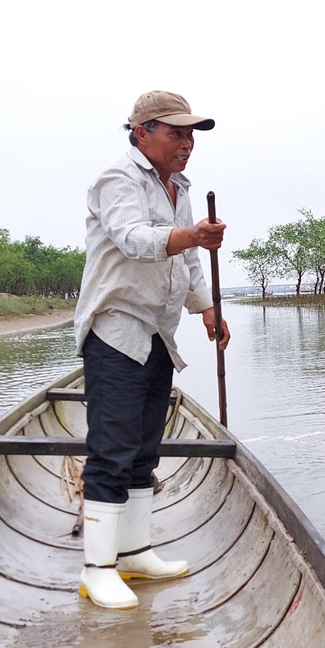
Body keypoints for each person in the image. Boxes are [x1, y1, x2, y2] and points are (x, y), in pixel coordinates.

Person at [73, 89, 231, 609]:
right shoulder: (117, 179)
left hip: (159, 333)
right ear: (142, 133)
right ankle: (97, 570)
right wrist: (191, 235)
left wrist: (206, 308)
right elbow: (135, 240)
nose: (187, 144)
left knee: (145, 450)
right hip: (117, 332)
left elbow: (186, 262)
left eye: (191, 135)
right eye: (176, 133)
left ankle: (135, 554)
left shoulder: (178, 187)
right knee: (112, 451)